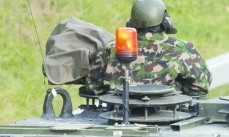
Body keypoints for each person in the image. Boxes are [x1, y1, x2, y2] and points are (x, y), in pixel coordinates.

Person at [81, 0, 212, 97]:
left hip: (119, 115)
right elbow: (201, 86)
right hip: (169, 115)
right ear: (166, 22)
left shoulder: (113, 47)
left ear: (131, 22)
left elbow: (93, 86)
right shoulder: (182, 49)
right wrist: (176, 92)